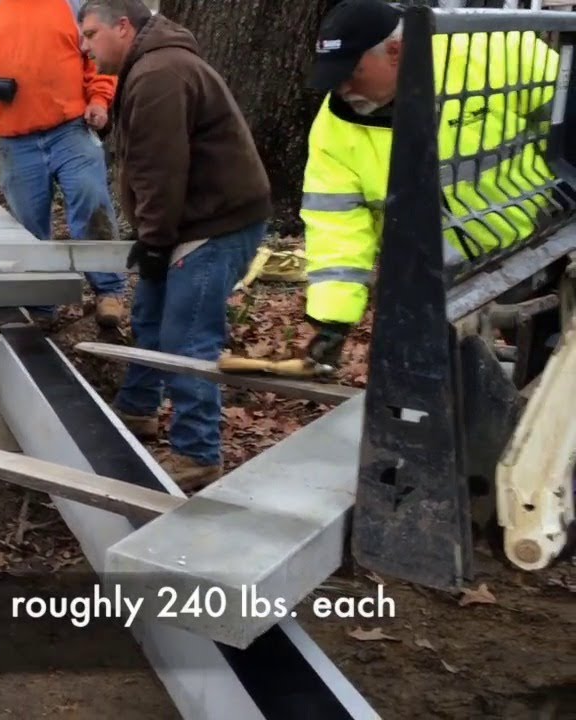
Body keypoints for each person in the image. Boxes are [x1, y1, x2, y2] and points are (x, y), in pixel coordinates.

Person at [78, 0, 273, 492]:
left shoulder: (159, 75)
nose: (85, 47)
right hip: (189, 219)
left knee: (188, 339)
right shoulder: (151, 66)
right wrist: (155, 239)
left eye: (91, 34)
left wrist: (155, 241)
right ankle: (138, 409)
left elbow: (159, 169)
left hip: (214, 225)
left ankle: (197, 453)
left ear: (123, 27)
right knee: (149, 316)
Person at [299, 0, 560, 367]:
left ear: (396, 52)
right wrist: (332, 321)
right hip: (437, 278)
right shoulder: (333, 132)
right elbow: (336, 226)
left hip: (537, 246)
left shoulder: (493, 55)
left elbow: (566, 112)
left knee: (551, 362)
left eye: (353, 72)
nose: (342, 87)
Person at [0, 0, 129, 329]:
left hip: (71, 128)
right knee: (28, 225)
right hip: (14, 138)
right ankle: (40, 305)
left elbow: (99, 57)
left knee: (90, 199)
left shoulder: (74, 4)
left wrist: (98, 99)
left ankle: (109, 290)